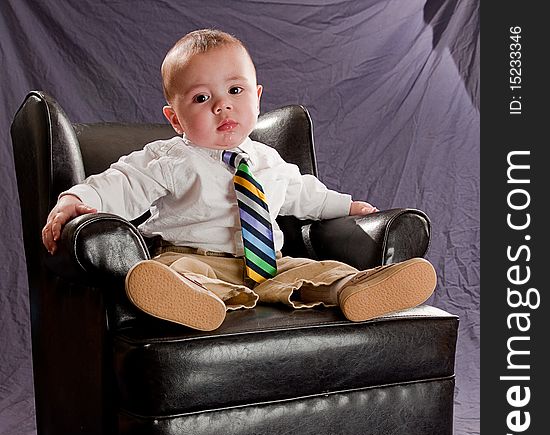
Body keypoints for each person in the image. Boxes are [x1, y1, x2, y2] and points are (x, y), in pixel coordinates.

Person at [41, 28, 436, 332]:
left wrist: (346, 206)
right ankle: (193, 304)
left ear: (257, 97)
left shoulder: (267, 160)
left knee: (317, 269)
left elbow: (303, 193)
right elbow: (122, 182)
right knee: (176, 273)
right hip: (195, 259)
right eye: (200, 98)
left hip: (270, 265)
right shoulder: (170, 157)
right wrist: (78, 197)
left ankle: (356, 288)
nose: (221, 105)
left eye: (234, 90)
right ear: (175, 118)